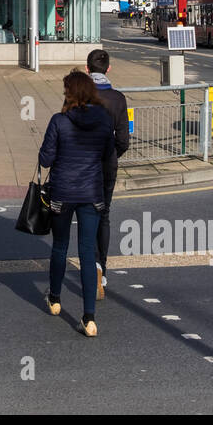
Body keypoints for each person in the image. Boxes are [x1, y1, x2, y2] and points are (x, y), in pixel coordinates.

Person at [38, 70, 114, 337]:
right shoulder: (104, 119)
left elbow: (46, 160)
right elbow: (107, 155)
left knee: (60, 246)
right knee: (86, 252)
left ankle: (56, 299)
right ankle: (89, 318)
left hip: (62, 192)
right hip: (92, 193)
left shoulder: (58, 121)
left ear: (69, 93)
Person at [87, 48, 130, 299]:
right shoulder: (118, 99)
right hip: (107, 165)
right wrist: (112, 155)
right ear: (109, 69)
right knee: (103, 215)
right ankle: (102, 269)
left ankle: (91, 263)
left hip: (83, 166)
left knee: (85, 215)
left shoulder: (80, 96)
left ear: (87, 69)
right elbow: (123, 140)